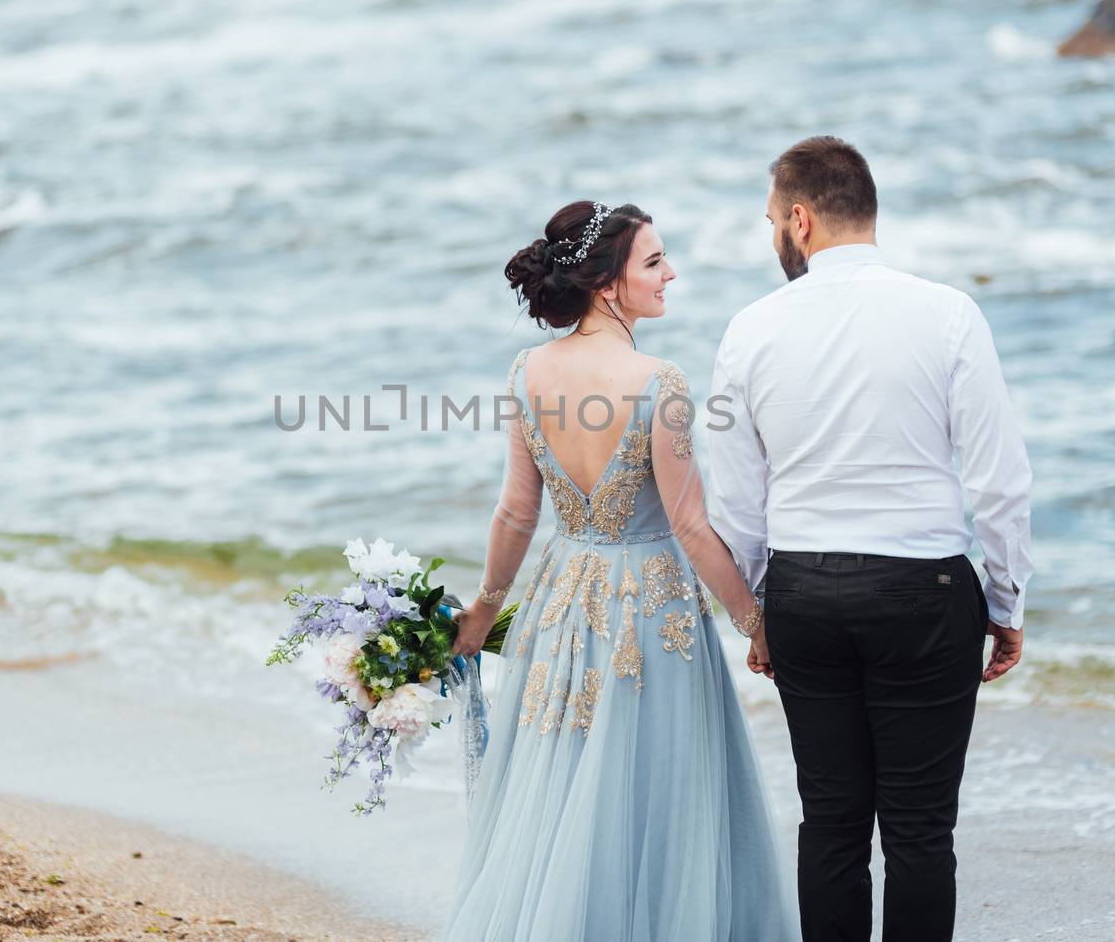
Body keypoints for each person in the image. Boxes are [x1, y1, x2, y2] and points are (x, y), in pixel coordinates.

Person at [441, 200, 798, 941]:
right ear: (608, 284)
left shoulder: (529, 370)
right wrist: (756, 623)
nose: (671, 274)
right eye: (654, 262)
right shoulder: (657, 382)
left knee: (566, 789)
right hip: (650, 613)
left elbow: (515, 514)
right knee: (653, 798)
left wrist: (483, 610)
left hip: (561, 602)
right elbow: (692, 528)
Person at [708, 136, 1034, 942]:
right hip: (924, 591)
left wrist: (759, 614)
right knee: (921, 830)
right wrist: (1006, 599)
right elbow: (998, 478)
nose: (774, 238)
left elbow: (737, 500)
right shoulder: (948, 312)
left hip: (806, 593)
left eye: (771, 222)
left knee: (831, 821)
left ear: (801, 219)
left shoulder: (750, 329)